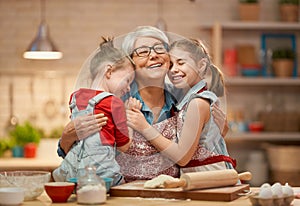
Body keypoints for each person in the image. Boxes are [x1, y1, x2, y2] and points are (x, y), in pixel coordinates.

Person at [57, 26, 229, 182]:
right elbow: (82, 151)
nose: (153, 55)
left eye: (160, 49)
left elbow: (206, 140)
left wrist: (217, 130)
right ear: (131, 62)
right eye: (143, 51)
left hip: (172, 196)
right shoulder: (114, 99)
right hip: (122, 196)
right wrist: (67, 137)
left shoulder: (184, 97)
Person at [126, 38, 236, 174]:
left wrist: (144, 127)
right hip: (199, 177)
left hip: (210, 176)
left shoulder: (197, 103)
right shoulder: (184, 98)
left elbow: (182, 157)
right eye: (170, 65)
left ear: (201, 65)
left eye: (181, 63)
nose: (174, 70)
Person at [53, 37, 136, 186]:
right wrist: (128, 114)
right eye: (127, 80)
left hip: (72, 174)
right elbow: (124, 146)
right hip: (101, 174)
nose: (128, 88)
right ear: (109, 71)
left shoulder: (75, 97)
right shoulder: (115, 103)